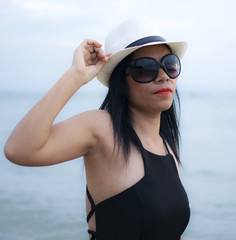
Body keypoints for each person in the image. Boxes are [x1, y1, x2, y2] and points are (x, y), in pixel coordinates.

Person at [4, 17, 190, 240]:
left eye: (170, 64)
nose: (163, 76)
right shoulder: (103, 129)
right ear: (121, 80)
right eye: (144, 69)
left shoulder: (167, 145)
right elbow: (19, 149)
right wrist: (76, 76)